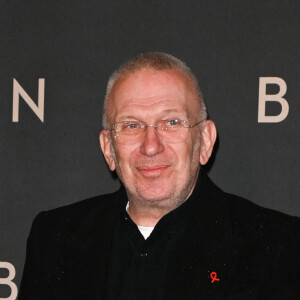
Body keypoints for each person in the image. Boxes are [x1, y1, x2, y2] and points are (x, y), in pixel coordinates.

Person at [19, 52, 300, 300]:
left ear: (204, 140)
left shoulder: (277, 246)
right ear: (108, 149)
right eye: (131, 125)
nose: (151, 145)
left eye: (171, 122)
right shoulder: (55, 238)